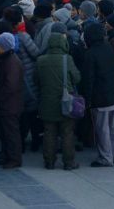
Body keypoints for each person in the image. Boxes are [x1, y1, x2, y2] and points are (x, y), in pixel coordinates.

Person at [36, 32, 80, 170]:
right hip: (65, 102)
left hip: (46, 102)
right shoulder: (67, 59)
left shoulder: (40, 60)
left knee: (49, 132)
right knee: (67, 133)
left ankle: (49, 162)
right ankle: (69, 162)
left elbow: (35, 80)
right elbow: (77, 78)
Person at [80, 22, 114, 168]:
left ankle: (105, 157)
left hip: (100, 97)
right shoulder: (108, 47)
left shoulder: (90, 54)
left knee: (102, 129)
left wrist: (87, 99)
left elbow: (88, 79)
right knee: (113, 128)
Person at [0, 32, 24, 169]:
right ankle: (8, 156)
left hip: (10, 104)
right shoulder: (8, 59)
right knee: (7, 132)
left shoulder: (11, 62)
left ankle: (14, 158)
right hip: (10, 103)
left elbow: (10, 85)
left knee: (11, 133)